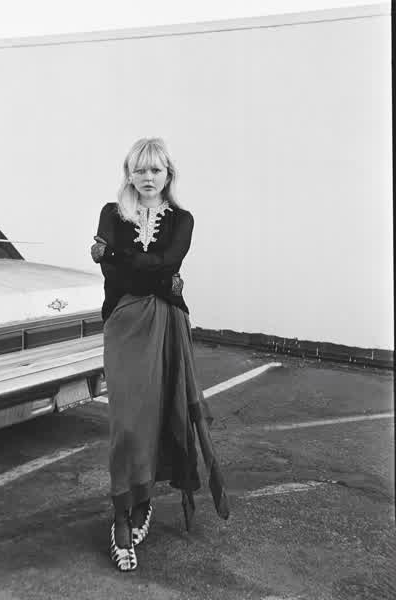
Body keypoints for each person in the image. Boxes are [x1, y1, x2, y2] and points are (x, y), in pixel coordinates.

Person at [91, 137, 228, 572]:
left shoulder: (182, 219)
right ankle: (121, 510)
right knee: (126, 422)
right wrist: (152, 272)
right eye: (140, 169)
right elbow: (119, 275)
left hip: (167, 324)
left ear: (168, 174)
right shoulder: (111, 213)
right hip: (123, 323)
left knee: (158, 415)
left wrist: (116, 252)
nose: (148, 177)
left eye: (156, 169)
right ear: (128, 173)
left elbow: (167, 263)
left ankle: (143, 501)